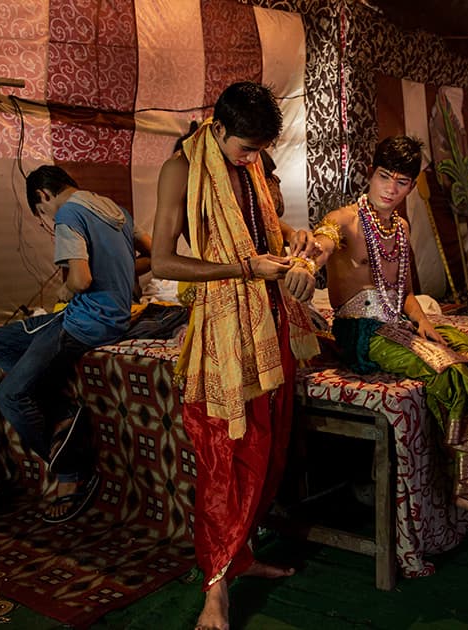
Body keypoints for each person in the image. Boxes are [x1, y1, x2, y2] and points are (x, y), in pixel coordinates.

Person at [309, 135, 468, 533]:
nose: (390, 189)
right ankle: (467, 489)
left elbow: (407, 293)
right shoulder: (344, 219)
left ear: (411, 185)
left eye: (401, 182)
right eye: (384, 177)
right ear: (371, 173)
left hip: (399, 325)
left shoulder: (400, 226)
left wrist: (424, 321)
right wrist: (307, 257)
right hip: (362, 331)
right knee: (452, 374)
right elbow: (322, 242)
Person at [150, 81, 318, 630]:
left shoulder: (252, 164)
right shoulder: (180, 170)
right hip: (223, 333)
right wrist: (246, 269)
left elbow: (265, 229)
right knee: (225, 459)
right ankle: (215, 591)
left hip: (269, 325)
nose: (254, 159)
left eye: (260, 149)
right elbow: (165, 264)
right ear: (218, 128)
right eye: (246, 147)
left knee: (266, 452)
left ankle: (240, 556)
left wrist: (297, 245)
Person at [0, 165, 138, 523]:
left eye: (41, 214)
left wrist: (64, 288)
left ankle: (71, 468)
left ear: (43, 196)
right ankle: (61, 415)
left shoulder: (68, 212)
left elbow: (80, 280)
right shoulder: (115, 210)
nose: (46, 220)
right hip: (115, 318)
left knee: (9, 395)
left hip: (85, 323)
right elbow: (148, 254)